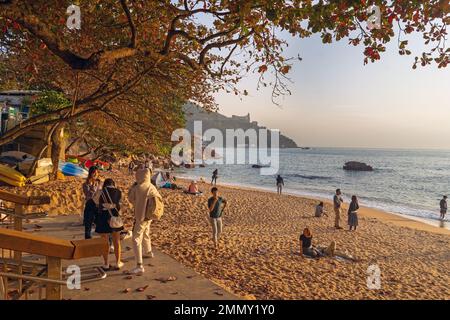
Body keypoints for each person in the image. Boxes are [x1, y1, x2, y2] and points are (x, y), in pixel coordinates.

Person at [128, 168, 161, 275]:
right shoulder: (152, 187)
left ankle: (139, 265)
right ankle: (148, 251)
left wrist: (133, 187)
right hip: (150, 215)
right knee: (146, 232)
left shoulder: (138, 187)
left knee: (136, 238)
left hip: (141, 216)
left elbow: (131, 199)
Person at [95, 179, 124, 271]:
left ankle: (106, 264)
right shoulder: (118, 192)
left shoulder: (100, 192)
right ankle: (118, 262)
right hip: (114, 218)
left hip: (103, 218)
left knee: (105, 242)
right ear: (113, 184)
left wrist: (104, 205)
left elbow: (95, 201)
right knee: (116, 241)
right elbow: (120, 205)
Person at [82, 166, 100, 239]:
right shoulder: (86, 184)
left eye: (96, 172)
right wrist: (93, 185)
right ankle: (88, 240)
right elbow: (88, 194)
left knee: (100, 223)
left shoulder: (99, 182)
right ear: (90, 173)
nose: (95, 174)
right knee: (88, 224)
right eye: (94, 173)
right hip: (90, 205)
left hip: (98, 205)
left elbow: (100, 193)